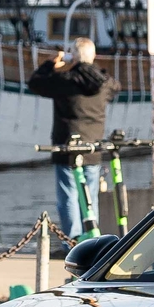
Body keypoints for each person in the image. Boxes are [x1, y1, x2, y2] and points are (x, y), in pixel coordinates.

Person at [27, 36, 109, 239]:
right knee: (90, 197)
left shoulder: (64, 81)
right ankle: (92, 238)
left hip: (67, 147)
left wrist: (50, 64)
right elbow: (114, 85)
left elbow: (35, 83)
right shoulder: (104, 84)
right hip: (92, 148)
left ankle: (72, 242)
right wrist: (92, 67)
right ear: (94, 56)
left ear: (73, 57)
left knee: (68, 197)